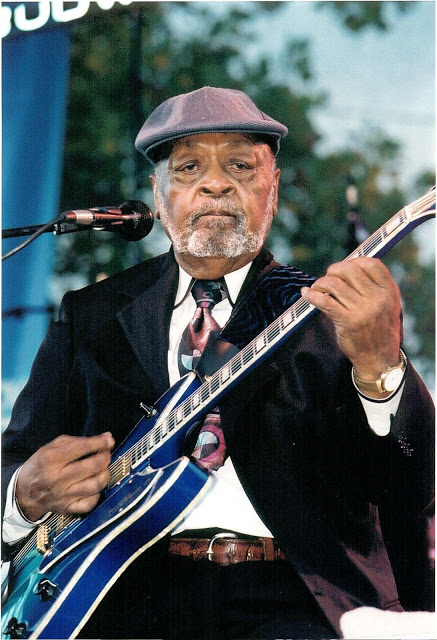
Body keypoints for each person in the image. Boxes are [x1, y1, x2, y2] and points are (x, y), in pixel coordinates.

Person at [2, 86, 434, 639]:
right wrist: (24, 496)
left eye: (239, 166)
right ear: (157, 195)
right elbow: (14, 460)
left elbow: (412, 488)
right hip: (118, 594)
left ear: (272, 187)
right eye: (189, 168)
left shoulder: (330, 313)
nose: (215, 184)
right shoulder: (90, 316)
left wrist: (382, 371)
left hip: (294, 600)